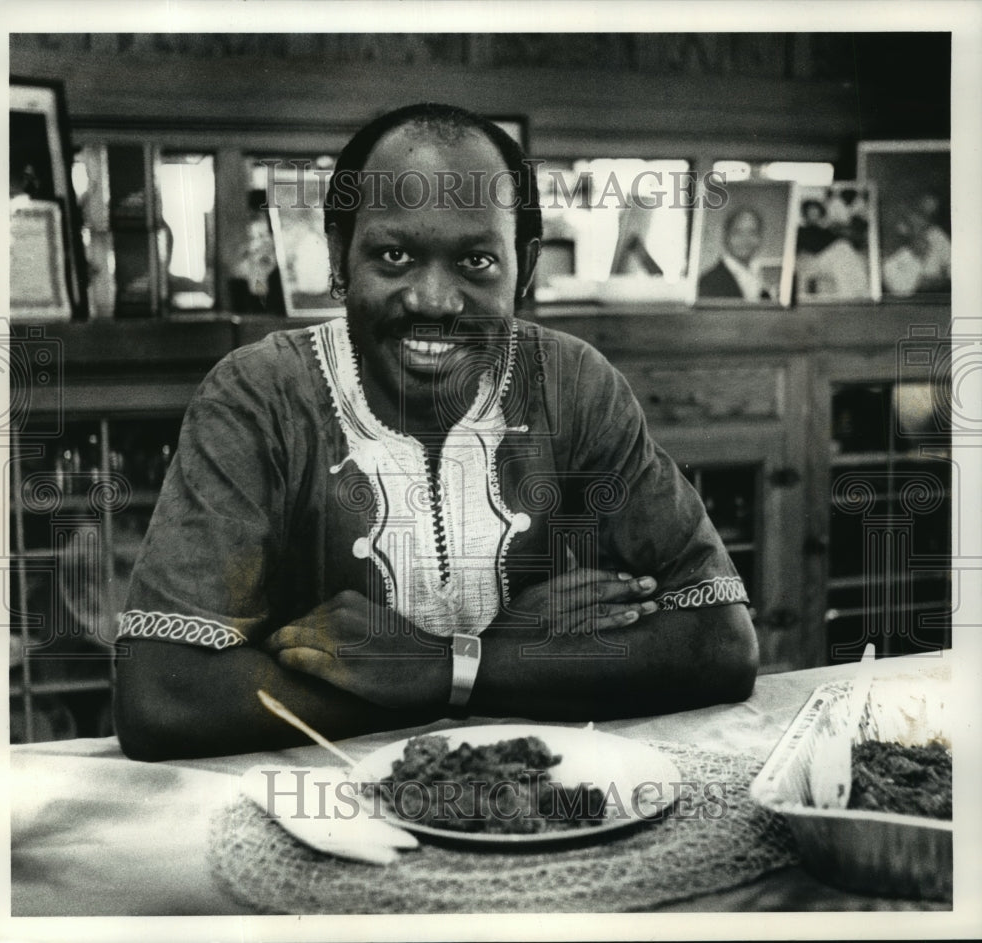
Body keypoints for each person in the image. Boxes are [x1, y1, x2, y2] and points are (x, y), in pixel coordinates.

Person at [114, 103, 758, 760]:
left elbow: (720, 641)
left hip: (534, 804)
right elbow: (162, 695)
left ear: (525, 268)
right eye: (394, 255)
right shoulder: (261, 395)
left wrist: (440, 667)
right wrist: (511, 666)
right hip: (327, 819)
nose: (433, 300)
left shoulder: (574, 384)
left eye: (476, 261)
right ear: (339, 257)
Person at [697, 207, 771, 301]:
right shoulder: (709, 282)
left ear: (760, 237)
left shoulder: (765, 279)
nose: (745, 239)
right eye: (738, 232)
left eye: (752, 232)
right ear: (726, 236)